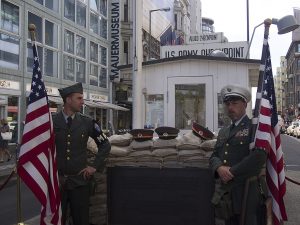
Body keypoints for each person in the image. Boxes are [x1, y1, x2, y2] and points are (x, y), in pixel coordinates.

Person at [52, 82, 111, 225]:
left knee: (81, 220)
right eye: (79, 98)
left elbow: (105, 145)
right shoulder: (52, 121)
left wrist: (94, 167)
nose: (82, 102)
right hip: (57, 183)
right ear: (68, 100)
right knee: (56, 221)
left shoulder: (87, 122)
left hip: (79, 183)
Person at [209, 85, 267, 225]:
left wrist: (231, 172)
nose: (230, 107)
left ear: (244, 105)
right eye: (228, 104)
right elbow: (214, 155)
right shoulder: (224, 131)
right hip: (226, 193)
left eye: (234, 103)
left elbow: (259, 156)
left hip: (247, 192)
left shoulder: (254, 128)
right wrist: (219, 168)